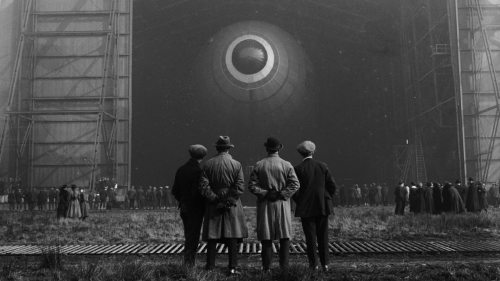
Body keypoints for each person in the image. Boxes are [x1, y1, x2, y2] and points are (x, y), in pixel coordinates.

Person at [248, 137, 300, 275]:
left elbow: (252, 186)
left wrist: (265, 193)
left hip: (265, 205)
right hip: (282, 205)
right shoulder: (287, 165)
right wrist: (281, 194)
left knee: (266, 237)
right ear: (279, 148)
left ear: (267, 148)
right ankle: (284, 268)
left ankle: (266, 268)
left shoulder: (259, 165)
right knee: (284, 237)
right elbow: (295, 184)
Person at [199, 136, 248, 275]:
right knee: (232, 235)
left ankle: (210, 267)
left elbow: (203, 186)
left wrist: (215, 200)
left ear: (217, 148)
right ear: (228, 148)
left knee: (212, 235)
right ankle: (232, 267)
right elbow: (239, 187)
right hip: (232, 204)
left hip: (213, 203)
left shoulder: (208, 164)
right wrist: (228, 201)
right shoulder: (236, 164)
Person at [292, 140, 336, 271]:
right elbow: (332, 186)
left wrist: (301, 201)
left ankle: (314, 264)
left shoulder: (298, 169)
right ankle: (325, 264)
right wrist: (327, 198)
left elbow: (295, 190)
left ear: (301, 153)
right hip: (323, 206)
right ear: (313, 151)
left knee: (310, 238)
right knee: (323, 237)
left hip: (306, 209)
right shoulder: (323, 166)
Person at [172, 144, 208, 267]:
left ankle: (188, 262)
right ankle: (189, 263)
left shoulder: (181, 170)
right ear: (202, 157)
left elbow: (175, 191)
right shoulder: (199, 171)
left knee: (188, 234)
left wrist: (183, 200)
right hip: (196, 209)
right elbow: (201, 191)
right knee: (194, 236)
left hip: (184, 207)